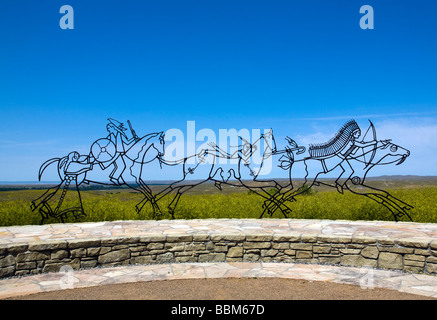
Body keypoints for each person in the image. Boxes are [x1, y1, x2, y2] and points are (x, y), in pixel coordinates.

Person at [308, 120, 377, 193]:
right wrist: (374, 142)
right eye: (358, 133)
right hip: (338, 158)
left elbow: (352, 153)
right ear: (354, 133)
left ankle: (339, 184)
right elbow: (363, 145)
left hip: (342, 158)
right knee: (325, 170)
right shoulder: (352, 141)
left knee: (349, 170)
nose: (359, 135)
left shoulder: (352, 142)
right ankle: (317, 180)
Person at [102, 118, 136, 185]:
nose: (108, 129)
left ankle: (113, 178)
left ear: (112, 127)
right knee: (121, 166)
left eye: (109, 128)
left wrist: (134, 138)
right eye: (107, 128)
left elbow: (127, 143)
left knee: (120, 166)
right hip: (116, 153)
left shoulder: (118, 134)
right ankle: (114, 178)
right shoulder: (111, 136)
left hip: (118, 152)